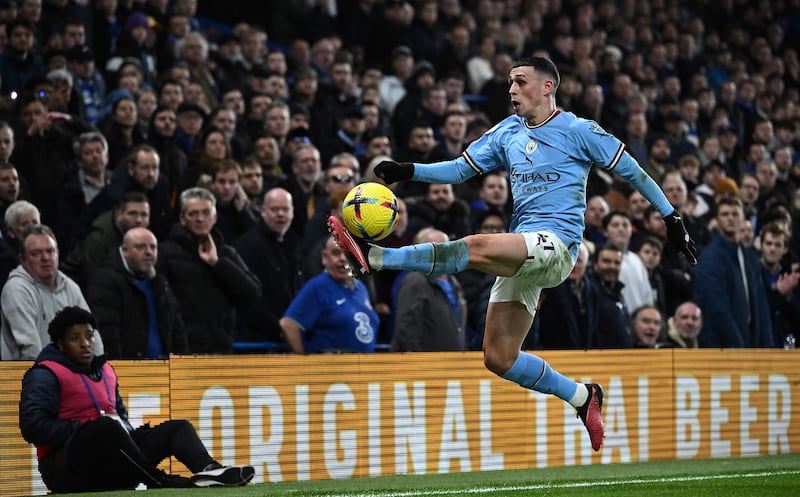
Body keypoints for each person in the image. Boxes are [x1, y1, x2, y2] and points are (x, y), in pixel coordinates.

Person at [329, 57, 697, 452]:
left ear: (547, 86)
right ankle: (581, 396)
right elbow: (458, 170)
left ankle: (378, 259)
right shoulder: (507, 132)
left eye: (520, 81)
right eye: (509, 82)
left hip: (558, 246)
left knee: (476, 245)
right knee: (499, 357)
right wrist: (408, 170)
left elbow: (634, 172)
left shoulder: (578, 130)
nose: (511, 89)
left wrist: (671, 218)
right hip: (524, 249)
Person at [19, 306, 254, 492]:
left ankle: (209, 470)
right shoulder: (45, 374)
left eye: (89, 336)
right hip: (67, 469)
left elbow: (121, 417)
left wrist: (129, 434)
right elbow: (32, 427)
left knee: (176, 427)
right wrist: (83, 427)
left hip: (110, 461)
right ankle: (160, 481)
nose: (85, 344)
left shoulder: (106, 371)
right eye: (75, 338)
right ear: (60, 344)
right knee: (105, 428)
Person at [156, 187, 261, 354]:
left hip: (221, 349)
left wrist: (218, 264)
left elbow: (252, 293)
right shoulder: (165, 253)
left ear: (215, 218)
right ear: (182, 219)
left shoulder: (227, 253)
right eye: (193, 214)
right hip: (181, 350)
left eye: (206, 213)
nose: (200, 219)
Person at [0, 224, 104, 360]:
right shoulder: (16, 289)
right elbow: (30, 348)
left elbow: (92, 334)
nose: (45, 258)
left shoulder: (70, 287)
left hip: (69, 374)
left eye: (50, 251)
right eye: (35, 253)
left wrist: (99, 369)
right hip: (28, 376)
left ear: (58, 254)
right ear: (22, 259)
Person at [87, 227, 188, 359]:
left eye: (153, 247)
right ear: (124, 251)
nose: (149, 252)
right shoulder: (106, 281)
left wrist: (181, 368)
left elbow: (178, 332)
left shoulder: (160, 283)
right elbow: (107, 334)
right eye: (140, 247)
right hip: (129, 373)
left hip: (165, 372)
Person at [279, 235, 378, 354]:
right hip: (331, 368)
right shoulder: (317, 287)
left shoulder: (361, 288)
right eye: (336, 253)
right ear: (325, 258)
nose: (343, 258)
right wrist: (303, 363)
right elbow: (288, 324)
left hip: (364, 368)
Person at [695, 197, 772, 347]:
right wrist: (737, 345)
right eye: (725, 214)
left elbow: (760, 303)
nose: (730, 218)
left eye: (735, 214)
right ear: (717, 220)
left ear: (743, 218)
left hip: (749, 342)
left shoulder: (749, 257)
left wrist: (767, 346)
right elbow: (716, 307)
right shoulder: (711, 257)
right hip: (723, 347)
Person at [233, 187, 308, 344]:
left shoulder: (296, 244)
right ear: (263, 211)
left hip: (292, 334)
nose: (280, 214)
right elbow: (248, 299)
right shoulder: (246, 246)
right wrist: (279, 328)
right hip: (257, 340)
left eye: (285, 209)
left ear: (292, 212)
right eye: (274, 209)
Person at [391, 229, 467, 352]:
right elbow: (406, 330)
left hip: (452, 364)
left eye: (447, 247)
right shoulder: (414, 282)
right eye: (436, 249)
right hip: (426, 366)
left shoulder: (453, 282)